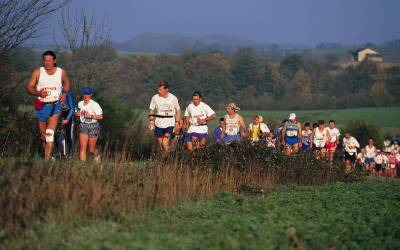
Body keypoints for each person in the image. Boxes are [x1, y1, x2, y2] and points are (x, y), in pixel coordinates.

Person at [27, 51, 71, 160]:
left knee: (49, 132)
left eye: (50, 61)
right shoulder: (38, 72)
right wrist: (38, 93)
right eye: (45, 61)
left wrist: (64, 93)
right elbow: (29, 88)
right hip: (41, 106)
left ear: (54, 61)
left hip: (55, 105)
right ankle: (48, 154)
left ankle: (47, 162)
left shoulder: (61, 72)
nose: (47, 63)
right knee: (43, 136)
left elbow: (67, 82)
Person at [148, 81, 181, 157]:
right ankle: (166, 161)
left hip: (170, 123)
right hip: (158, 124)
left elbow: (178, 110)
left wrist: (177, 122)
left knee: (164, 143)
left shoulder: (173, 98)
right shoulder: (155, 97)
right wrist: (151, 121)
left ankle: (169, 158)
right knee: (161, 147)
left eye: (160, 90)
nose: (158, 91)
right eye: (158, 89)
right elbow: (152, 110)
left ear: (166, 90)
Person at [76, 87, 103, 162]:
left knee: (91, 149)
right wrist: (77, 114)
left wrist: (90, 116)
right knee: (83, 148)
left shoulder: (95, 104)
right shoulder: (80, 103)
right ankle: (82, 167)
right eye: (84, 94)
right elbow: (78, 112)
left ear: (91, 95)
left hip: (93, 126)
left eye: (87, 94)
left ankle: (97, 159)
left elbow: (101, 116)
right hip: (83, 125)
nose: (85, 96)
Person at [54, 91, 77, 159]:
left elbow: (72, 109)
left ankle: (71, 155)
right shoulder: (55, 91)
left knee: (69, 135)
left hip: (69, 114)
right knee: (57, 134)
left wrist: (67, 119)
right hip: (59, 114)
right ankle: (60, 154)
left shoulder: (68, 93)